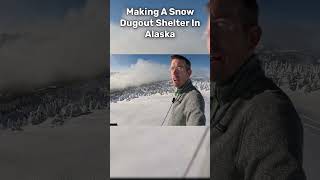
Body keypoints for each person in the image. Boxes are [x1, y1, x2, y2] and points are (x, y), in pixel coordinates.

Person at [207, 0, 306, 179]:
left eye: (221, 25)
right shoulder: (218, 95)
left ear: (252, 38)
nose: (208, 38)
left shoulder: (267, 110)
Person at [166, 54, 206, 126]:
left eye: (179, 68)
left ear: (189, 73)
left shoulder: (194, 98)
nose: (174, 72)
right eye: (172, 68)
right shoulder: (179, 92)